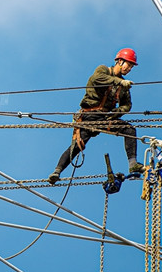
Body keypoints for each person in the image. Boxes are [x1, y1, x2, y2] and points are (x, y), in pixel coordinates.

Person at [48, 47, 144, 185]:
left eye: (131, 67)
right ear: (119, 61)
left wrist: (114, 115)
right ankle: (57, 171)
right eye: (128, 64)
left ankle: (132, 164)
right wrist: (119, 82)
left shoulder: (123, 87)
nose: (129, 69)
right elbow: (97, 79)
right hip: (89, 116)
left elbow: (127, 105)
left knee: (129, 130)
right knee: (77, 146)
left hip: (104, 119)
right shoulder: (103, 70)